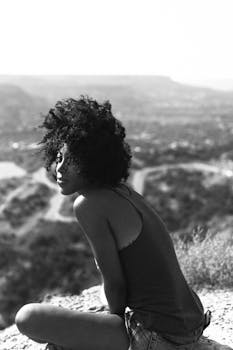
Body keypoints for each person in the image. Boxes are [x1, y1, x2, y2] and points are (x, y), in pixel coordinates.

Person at [15, 96, 211, 350]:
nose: (59, 168)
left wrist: (110, 328)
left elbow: (115, 286)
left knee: (28, 318)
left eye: (71, 159)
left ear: (92, 160)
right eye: (59, 157)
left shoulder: (88, 204)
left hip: (162, 336)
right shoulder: (123, 192)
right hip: (191, 322)